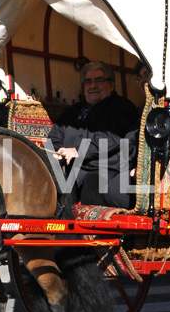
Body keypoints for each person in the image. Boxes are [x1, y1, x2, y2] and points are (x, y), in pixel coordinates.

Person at [47, 61, 140, 208]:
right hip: (72, 169)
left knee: (93, 183)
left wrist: (78, 150)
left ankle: (89, 230)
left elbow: (112, 137)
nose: (93, 86)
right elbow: (56, 133)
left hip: (105, 169)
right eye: (88, 82)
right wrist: (57, 151)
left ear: (111, 84)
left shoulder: (121, 107)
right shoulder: (73, 112)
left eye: (99, 80)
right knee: (49, 182)